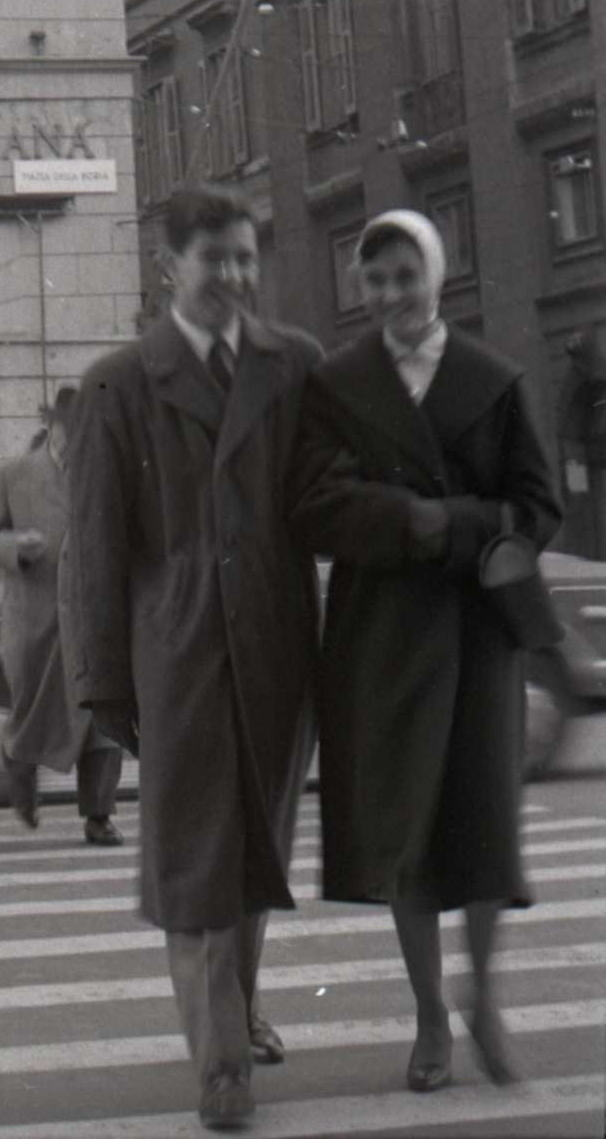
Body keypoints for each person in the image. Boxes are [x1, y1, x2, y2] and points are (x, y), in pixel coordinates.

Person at [287, 209, 562, 1095]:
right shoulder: (337, 383)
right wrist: (409, 521)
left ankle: (484, 997)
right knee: (402, 829)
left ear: (436, 277)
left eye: (406, 275)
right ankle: (430, 1016)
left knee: (483, 824)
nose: (391, 294)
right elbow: (313, 507)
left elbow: (537, 506)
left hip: (479, 630)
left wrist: (459, 525)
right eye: (375, 280)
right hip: (382, 634)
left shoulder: (494, 378)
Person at [67, 183, 321, 1133]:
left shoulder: (295, 363)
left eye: (247, 257)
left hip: (277, 649)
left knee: (257, 853)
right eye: (216, 258)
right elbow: (95, 548)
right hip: (178, 654)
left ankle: (239, 1010)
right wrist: (101, 684)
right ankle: (220, 1069)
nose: (236, 276)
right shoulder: (120, 383)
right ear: (168, 265)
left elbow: (329, 498)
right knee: (195, 865)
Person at [0, 385, 124, 846]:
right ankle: (19, 773)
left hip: (94, 619)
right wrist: (13, 546)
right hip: (35, 620)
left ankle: (99, 816)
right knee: (33, 716)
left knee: (103, 719)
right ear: (51, 425)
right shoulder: (13, 473)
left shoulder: (108, 474)